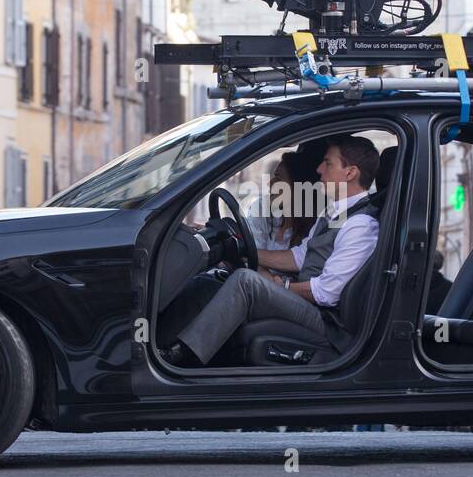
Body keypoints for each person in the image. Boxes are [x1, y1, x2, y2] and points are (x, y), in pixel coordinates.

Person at [163, 134, 381, 367]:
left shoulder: (361, 225)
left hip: (327, 321)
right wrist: (244, 249)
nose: (319, 169)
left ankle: (182, 358)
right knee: (210, 283)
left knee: (246, 282)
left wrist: (280, 286)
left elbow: (326, 293)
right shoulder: (334, 213)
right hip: (310, 304)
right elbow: (299, 257)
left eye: (328, 163)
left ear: (350, 173)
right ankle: (162, 343)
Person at [246, 150, 320, 251]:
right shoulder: (261, 209)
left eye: (279, 179)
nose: (270, 183)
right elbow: (251, 255)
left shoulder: (315, 228)